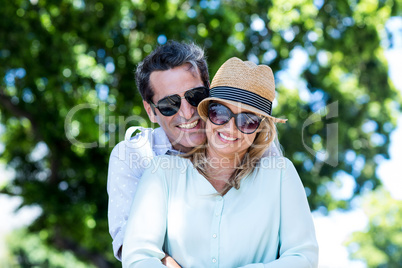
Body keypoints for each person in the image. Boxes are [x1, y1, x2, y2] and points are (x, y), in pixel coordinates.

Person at [122, 57, 319, 267]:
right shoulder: (162, 173)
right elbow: (138, 258)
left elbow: (303, 258)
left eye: (248, 120)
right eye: (220, 113)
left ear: (260, 128)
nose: (231, 128)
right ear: (206, 114)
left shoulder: (280, 175)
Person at [107, 41, 282, 263]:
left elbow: (280, 232)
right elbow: (131, 246)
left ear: (209, 90)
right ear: (151, 111)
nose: (188, 112)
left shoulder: (248, 139)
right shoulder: (135, 155)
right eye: (169, 105)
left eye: (195, 95)